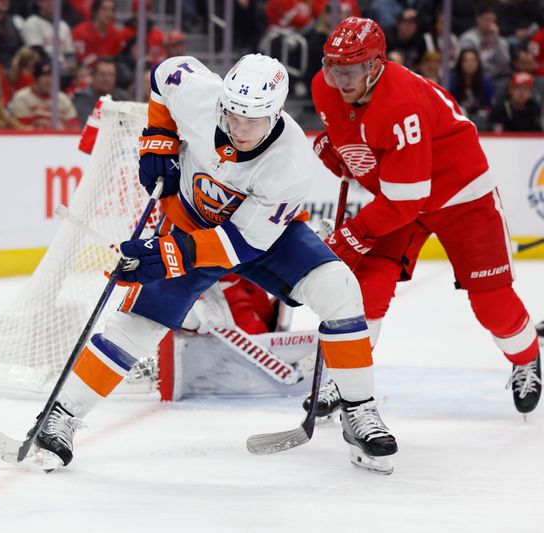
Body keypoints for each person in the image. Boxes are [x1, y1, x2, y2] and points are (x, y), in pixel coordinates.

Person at [28, 53, 398, 474]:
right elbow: (164, 74)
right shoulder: (201, 97)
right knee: (138, 323)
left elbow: (240, 243)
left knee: (339, 288)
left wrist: (167, 255)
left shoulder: (290, 164)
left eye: (252, 120)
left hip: (262, 238)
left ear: (276, 114)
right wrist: (159, 138)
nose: (238, 128)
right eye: (232, 114)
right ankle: (62, 416)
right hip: (188, 223)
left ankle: (359, 411)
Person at [309, 17, 540, 420]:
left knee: (492, 305)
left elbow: (406, 201)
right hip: (399, 193)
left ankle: (528, 358)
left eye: (353, 68)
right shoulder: (324, 88)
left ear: (376, 65)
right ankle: (348, 378)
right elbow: (362, 147)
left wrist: (352, 236)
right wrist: (337, 147)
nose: (341, 79)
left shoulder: (402, 102)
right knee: (367, 289)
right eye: (334, 67)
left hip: (460, 195)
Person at [7, 59, 79, 130]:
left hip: (61, 140)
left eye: (52, 76)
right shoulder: (22, 97)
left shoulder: (63, 98)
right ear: (36, 79)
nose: (49, 81)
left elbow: (75, 127)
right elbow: (24, 128)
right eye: (44, 76)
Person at [72, 57, 126, 125]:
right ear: (93, 76)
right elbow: (88, 124)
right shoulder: (82, 98)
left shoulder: (122, 97)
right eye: (102, 74)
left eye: (111, 75)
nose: (107, 79)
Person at [72, 0, 124, 68]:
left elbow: (117, 60)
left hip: (107, 75)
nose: (109, 14)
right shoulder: (80, 32)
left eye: (112, 10)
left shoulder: (115, 34)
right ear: (95, 11)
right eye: (104, 9)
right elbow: (77, 61)